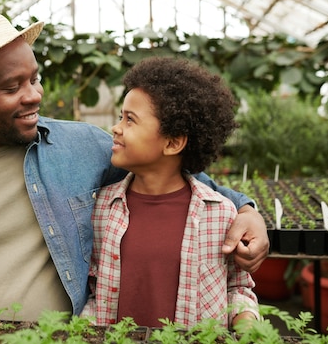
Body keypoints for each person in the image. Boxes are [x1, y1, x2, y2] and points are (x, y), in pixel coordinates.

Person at [0, 0, 268, 321]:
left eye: (34, 78)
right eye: (12, 87)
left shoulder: (84, 147)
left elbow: (173, 174)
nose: (34, 94)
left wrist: (245, 208)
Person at [81, 57, 260, 328]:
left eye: (130, 120)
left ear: (173, 142)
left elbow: (237, 287)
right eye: (121, 117)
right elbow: (94, 290)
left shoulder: (220, 213)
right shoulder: (102, 208)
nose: (116, 128)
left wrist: (246, 320)